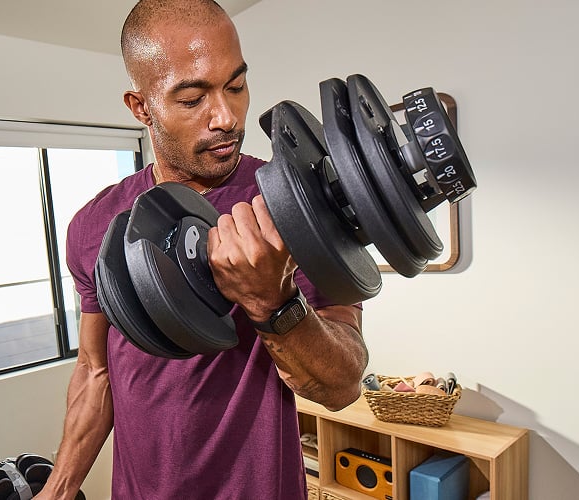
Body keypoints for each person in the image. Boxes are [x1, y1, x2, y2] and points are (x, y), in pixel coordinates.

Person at [36, 1, 367, 498]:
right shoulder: (94, 226)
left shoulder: (295, 203)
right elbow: (93, 370)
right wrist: (58, 489)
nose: (227, 117)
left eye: (236, 86)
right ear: (141, 106)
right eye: (193, 99)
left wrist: (272, 303)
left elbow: (342, 387)